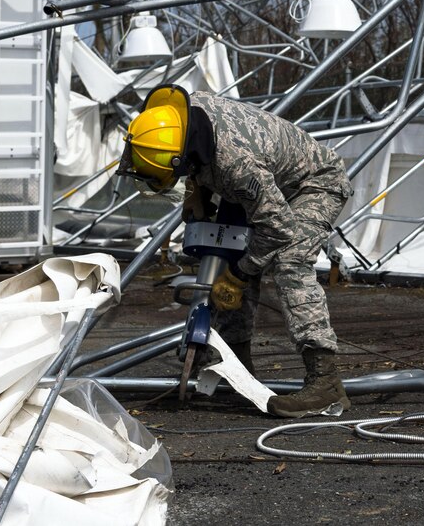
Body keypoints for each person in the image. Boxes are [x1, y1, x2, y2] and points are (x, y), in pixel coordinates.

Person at [118, 84, 353, 418]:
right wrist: (195, 186)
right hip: (264, 181)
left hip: (313, 183)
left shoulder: (237, 166)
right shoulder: (179, 117)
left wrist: (239, 275)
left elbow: (278, 228)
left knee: (290, 260)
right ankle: (237, 366)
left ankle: (325, 382)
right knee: (230, 247)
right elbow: (202, 148)